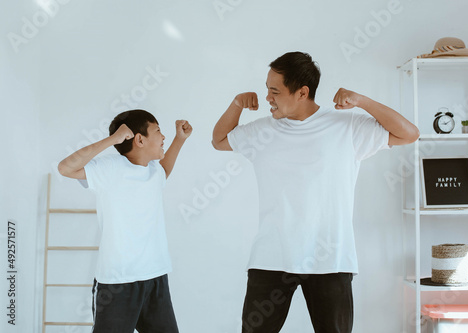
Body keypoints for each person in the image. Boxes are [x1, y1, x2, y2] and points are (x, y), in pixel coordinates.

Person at [212, 51, 419, 333]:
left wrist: (362, 101)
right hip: (272, 257)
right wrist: (236, 104)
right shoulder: (262, 132)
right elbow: (219, 140)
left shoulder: (347, 128)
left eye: (274, 91)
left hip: (330, 258)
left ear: (302, 93)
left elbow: (409, 133)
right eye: (266, 89)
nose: (268, 98)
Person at [58, 109, 192, 333]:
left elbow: (164, 170)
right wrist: (112, 139)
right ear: (139, 139)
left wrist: (180, 139)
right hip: (117, 282)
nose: (163, 137)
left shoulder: (153, 171)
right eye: (158, 131)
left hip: (155, 276)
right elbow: (65, 168)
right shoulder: (110, 168)